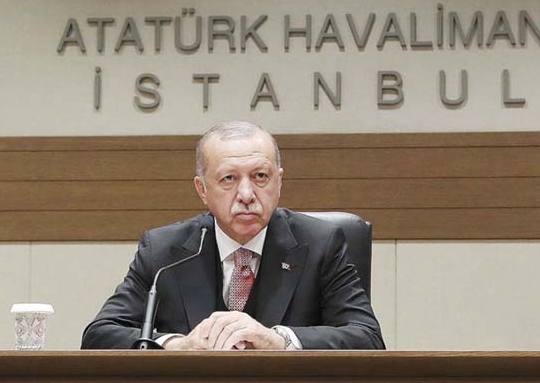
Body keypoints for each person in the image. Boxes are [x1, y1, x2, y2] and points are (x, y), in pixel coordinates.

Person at [81, 121, 385, 350]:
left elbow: (367, 337)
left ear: (279, 182)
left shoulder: (322, 244)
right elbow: (100, 335)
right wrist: (179, 345)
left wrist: (278, 341)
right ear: (202, 190)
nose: (246, 194)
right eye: (229, 178)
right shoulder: (164, 251)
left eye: (260, 177)